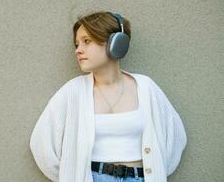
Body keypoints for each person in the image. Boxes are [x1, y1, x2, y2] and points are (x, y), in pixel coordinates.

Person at [29, 11, 187, 182]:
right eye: (77, 44)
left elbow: (175, 138)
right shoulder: (73, 91)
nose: (78, 50)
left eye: (86, 41)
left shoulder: (146, 88)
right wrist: (72, 175)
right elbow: (41, 144)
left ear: (116, 43)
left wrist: (156, 170)